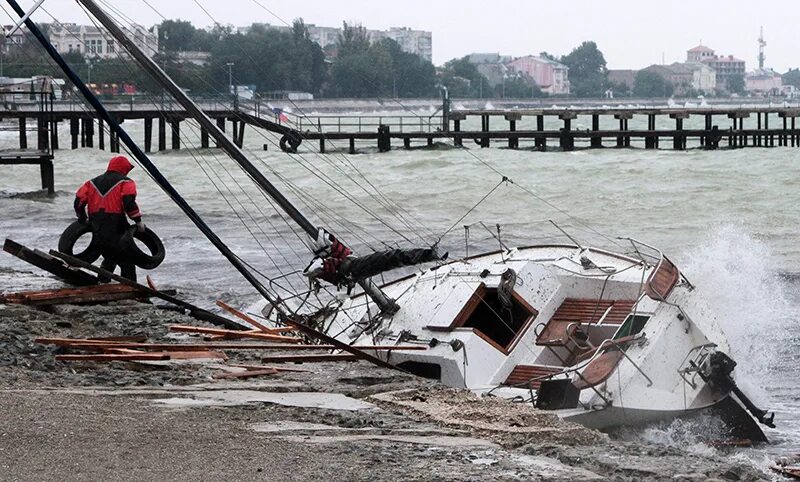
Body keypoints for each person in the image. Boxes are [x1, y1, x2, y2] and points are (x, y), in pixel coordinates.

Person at [74, 155, 144, 282]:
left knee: (109, 255)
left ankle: (102, 282)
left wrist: (82, 218)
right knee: (126, 259)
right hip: (116, 224)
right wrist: (138, 221)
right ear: (124, 168)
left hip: (97, 226)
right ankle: (131, 289)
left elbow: (78, 201)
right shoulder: (126, 182)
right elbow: (129, 202)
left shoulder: (91, 183)